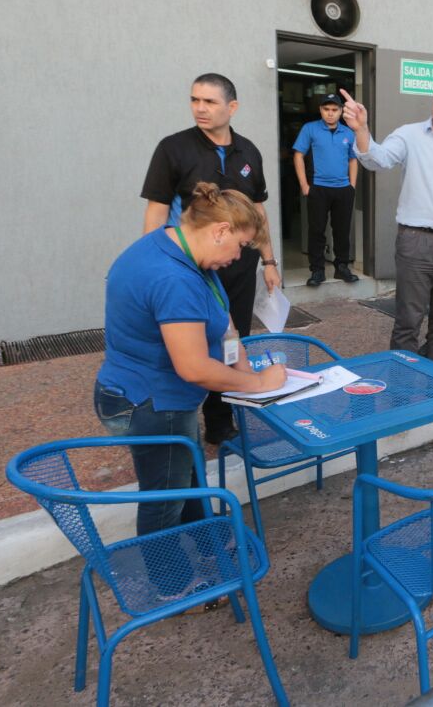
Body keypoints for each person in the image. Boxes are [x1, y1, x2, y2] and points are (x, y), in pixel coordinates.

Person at [95, 182, 286, 600]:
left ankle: (207, 540)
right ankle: (174, 587)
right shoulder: (174, 278)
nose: (238, 257)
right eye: (240, 246)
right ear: (220, 230)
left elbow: (223, 321)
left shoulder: (180, 249)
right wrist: (258, 383)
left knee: (187, 470)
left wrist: (241, 366)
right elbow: (194, 367)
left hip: (159, 396)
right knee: (165, 497)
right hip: (149, 402)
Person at [141, 74, 281, 445]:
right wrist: (153, 265)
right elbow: (156, 212)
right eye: (195, 100)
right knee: (187, 343)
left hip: (238, 267)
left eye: (210, 102)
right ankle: (177, 423)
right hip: (190, 270)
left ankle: (221, 421)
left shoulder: (249, 152)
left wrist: (269, 262)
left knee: (233, 340)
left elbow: (258, 212)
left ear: (232, 107)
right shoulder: (173, 149)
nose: (200, 108)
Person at [340, 78, 433, 364]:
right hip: (416, 241)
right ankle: (404, 383)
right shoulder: (409, 135)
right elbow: (378, 160)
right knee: (408, 320)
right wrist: (361, 129)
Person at [293, 92, 360, 287]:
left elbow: (353, 159)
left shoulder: (348, 132)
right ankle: (317, 270)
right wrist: (304, 185)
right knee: (316, 231)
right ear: (320, 110)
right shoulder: (310, 129)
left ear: (341, 111)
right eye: (326, 109)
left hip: (343, 189)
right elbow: (298, 155)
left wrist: (352, 186)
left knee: (342, 231)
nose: (330, 113)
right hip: (319, 188)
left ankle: (342, 267)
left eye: (334, 109)